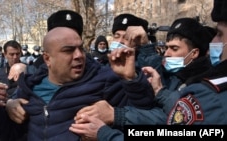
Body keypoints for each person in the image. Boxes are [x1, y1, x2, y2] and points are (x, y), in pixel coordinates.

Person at [0, 10, 154, 141]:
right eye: (68, 50)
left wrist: (131, 83)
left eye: (80, 48)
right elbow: (11, 135)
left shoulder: (107, 80)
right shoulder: (30, 86)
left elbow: (148, 119)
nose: (79, 55)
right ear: (47, 58)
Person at [69, 17, 215, 140]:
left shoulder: (202, 86)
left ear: (194, 53)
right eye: (167, 47)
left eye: (174, 49)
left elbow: (171, 121)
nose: (167, 54)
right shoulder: (170, 75)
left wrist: (114, 118)